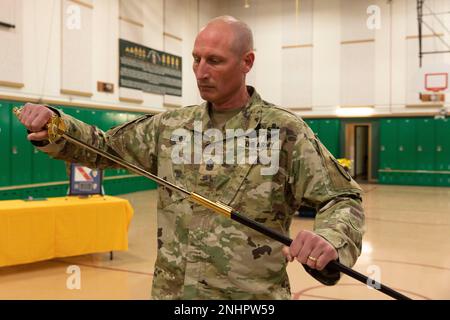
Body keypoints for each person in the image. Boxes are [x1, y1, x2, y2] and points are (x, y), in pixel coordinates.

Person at [17, 16, 364, 299]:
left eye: (214, 61)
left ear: (247, 62)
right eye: (196, 59)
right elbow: (104, 147)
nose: (200, 72)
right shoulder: (170, 126)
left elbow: (342, 196)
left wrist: (330, 238)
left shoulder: (284, 131)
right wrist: (55, 125)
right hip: (174, 295)